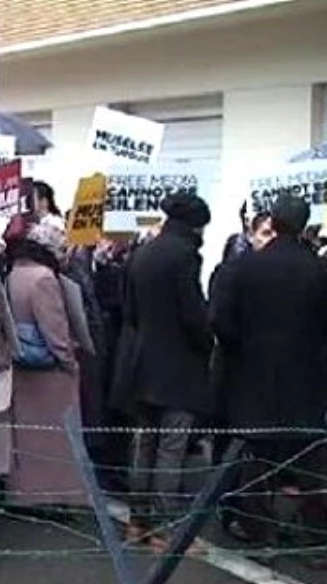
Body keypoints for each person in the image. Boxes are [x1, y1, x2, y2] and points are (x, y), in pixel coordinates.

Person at [212, 196, 327, 561]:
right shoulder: (319, 270)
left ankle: (257, 531)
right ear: (303, 226)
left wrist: (241, 350)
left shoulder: (243, 268)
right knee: (310, 459)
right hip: (304, 375)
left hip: (251, 375)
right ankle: (316, 538)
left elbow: (222, 322)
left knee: (256, 457)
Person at [116, 193, 214, 545]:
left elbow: (129, 311)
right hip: (177, 365)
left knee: (143, 445)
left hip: (141, 361)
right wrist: (207, 342)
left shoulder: (142, 254)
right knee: (171, 448)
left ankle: (136, 522)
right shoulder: (185, 256)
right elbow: (193, 314)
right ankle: (163, 529)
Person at [4, 222, 86, 511]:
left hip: (21, 364)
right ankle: (52, 496)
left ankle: (23, 492)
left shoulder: (15, 272)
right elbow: (55, 330)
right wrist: (70, 362)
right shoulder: (44, 278)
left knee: (25, 436)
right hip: (47, 373)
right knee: (52, 437)